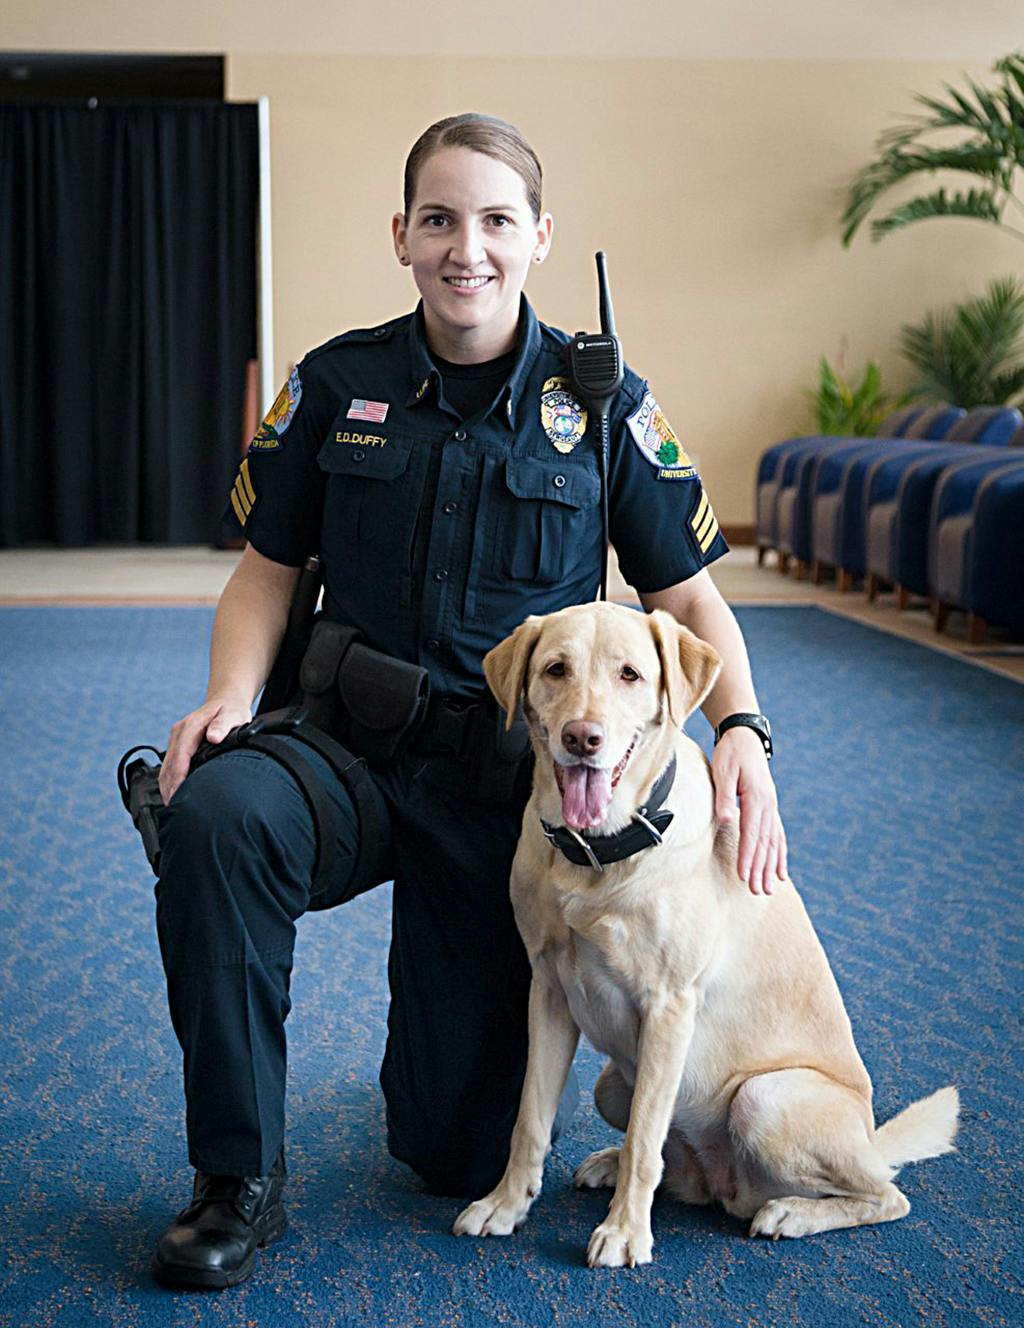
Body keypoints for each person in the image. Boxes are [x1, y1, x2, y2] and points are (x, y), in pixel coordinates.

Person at [150, 112, 787, 1290]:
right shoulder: (337, 383)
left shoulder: (599, 405)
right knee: (218, 821)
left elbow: (690, 601)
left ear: (538, 236)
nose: (467, 247)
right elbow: (265, 570)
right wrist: (230, 697)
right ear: (401, 235)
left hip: (507, 802)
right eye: (439, 219)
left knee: (450, 1151)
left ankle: (429, 1076)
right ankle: (234, 1177)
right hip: (342, 751)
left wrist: (739, 729)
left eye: (496, 221)